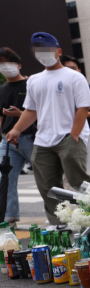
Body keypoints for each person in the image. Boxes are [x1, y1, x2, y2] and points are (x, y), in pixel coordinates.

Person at [6, 32, 90, 225]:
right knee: (47, 186)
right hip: (43, 140)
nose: (42, 53)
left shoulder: (74, 77)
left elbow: (83, 107)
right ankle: (59, 225)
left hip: (69, 137)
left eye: (46, 48)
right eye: (38, 50)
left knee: (78, 181)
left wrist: (74, 135)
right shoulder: (34, 80)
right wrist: (16, 130)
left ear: (59, 51)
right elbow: (31, 111)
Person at [0, 47, 37, 225]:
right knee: (4, 179)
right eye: (1, 64)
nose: (4, 67)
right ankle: (8, 219)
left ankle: (58, 218)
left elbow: (38, 111)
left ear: (19, 65)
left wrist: (20, 114)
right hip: (7, 141)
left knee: (46, 177)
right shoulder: (1, 89)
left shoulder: (31, 84)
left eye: (8, 63)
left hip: (32, 138)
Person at [59, 55, 90, 179]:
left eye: (73, 68)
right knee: (68, 174)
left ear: (79, 71)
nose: (70, 71)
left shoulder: (89, 88)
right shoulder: (58, 90)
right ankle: (73, 198)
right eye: (66, 68)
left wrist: (83, 113)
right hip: (66, 136)